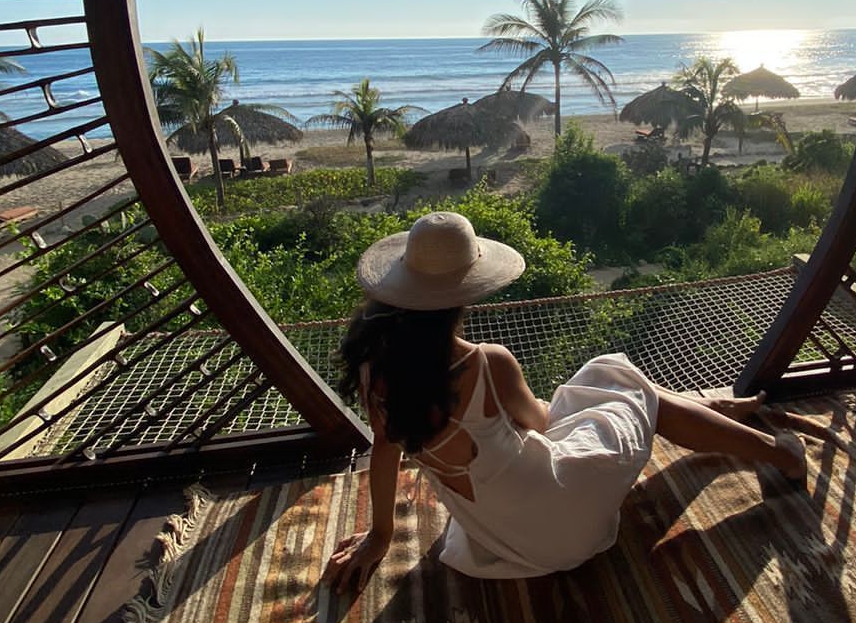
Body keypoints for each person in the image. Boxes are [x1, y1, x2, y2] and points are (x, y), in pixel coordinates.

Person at [323, 211, 808, 593]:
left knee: (623, 390)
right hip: (566, 518)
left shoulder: (374, 371)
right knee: (619, 377)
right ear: (464, 295)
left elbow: (384, 448)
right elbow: (543, 423)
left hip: (500, 540)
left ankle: (701, 412)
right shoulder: (489, 363)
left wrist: (379, 535)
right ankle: (780, 452)